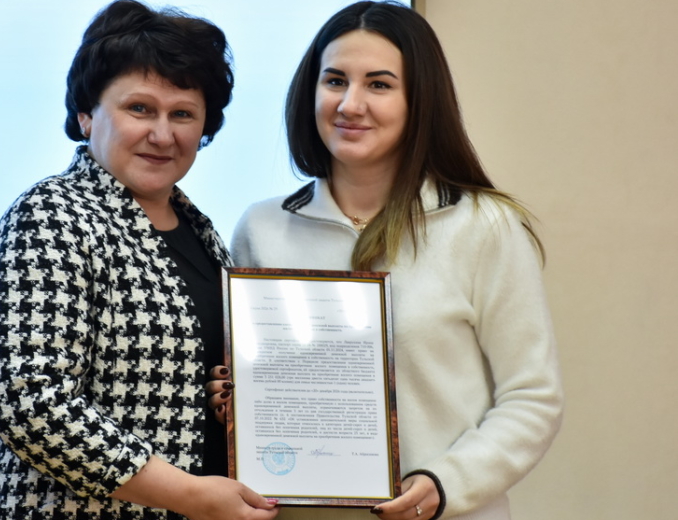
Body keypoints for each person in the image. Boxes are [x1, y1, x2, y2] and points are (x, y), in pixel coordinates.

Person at [221, 2, 563, 519]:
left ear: (420, 100)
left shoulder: (483, 226)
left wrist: (446, 484)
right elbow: (261, 387)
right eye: (335, 81)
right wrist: (233, 397)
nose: (350, 104)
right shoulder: (261, 229)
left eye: (379, 85)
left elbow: (533, 396)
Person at [0, 1, 279, 519]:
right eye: (139, 109)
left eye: (183, 114)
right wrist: (190, 495)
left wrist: (225, 397)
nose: (163, 134)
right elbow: (31, 406)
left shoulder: (203, 235)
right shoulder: (49, 216)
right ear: (86, 114)